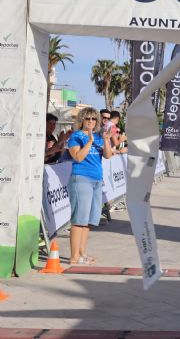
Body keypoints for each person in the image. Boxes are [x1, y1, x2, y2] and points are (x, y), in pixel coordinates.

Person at [67, 107, 113, 265]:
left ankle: (82, 253)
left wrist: (106, 139)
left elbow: (107, 155)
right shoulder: (76, 136)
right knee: (79, 219)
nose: (91, 122)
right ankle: (74, 257)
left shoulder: (100, 136)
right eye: (88, 119)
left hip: (96, 180)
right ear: (82, 120)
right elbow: (78, 157)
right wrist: (90, 142)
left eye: (94, 119)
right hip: (81, 178)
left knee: (88, 221)